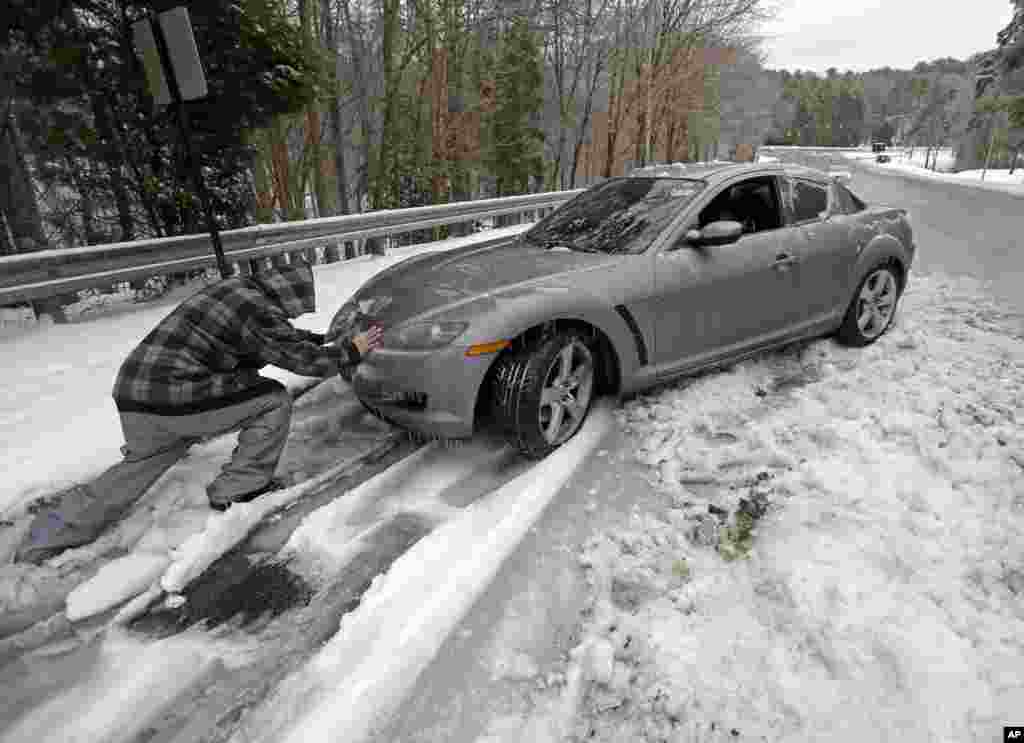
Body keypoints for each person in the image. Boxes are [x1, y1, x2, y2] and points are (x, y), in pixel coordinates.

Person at [15, 259, 382, 565]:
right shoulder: (257, 311)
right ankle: (238, 488)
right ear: (286, 294)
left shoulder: (238, 292)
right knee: (272, 399)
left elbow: (281, 339)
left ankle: (46, 536)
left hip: (135, 395)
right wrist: (352, 351)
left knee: (141, 464)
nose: (293, 314)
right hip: (174, 395)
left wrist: (324, 340)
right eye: (295, 308)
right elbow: (304, 361)